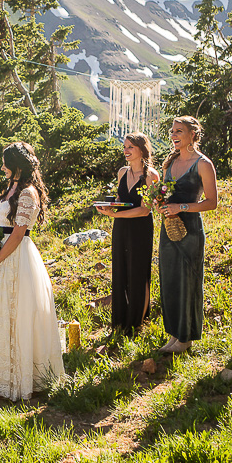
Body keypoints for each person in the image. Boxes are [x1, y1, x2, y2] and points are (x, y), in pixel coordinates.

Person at [0, 142, 64, 400]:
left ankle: (18, 376)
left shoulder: (28, 193)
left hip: (16, 257)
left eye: (6, 162)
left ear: (17, 164)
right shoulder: (11, 189)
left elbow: (18, 234)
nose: (2, 166)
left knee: (17, 312)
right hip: (2, 250)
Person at [157, 116, 218, 354]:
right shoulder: (169, 163)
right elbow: (163, 192)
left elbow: (212, 203)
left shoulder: (203, 164)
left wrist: (181, 208)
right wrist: (159, 201)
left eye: (179, 131)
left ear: (193, 134)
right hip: (168, 227)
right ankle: (174, 333)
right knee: (170, 280)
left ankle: (186, 337)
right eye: (172, 131)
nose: (174, 135)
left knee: (188, 281)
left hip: (190, 229)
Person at [96, 133, 158, 337]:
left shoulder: (151, 176)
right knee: (120, 269)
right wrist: (109, 207)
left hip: (140, 228)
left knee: (138, 272)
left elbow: (145, 210)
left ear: (142, 149)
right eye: (125, 147)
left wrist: (116, 214)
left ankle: (138, 322)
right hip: (121, 227)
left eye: (130, 147)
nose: (126, 150)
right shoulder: (122, 172)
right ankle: (121, 321)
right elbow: (121, 199)